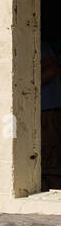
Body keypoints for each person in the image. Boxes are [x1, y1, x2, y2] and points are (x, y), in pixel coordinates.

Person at [42, 40, 61, 191]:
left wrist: (28, 83)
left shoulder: (40, 46)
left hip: (47, 113)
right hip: (44, 113)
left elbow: (52, 70)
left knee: (51, 164)